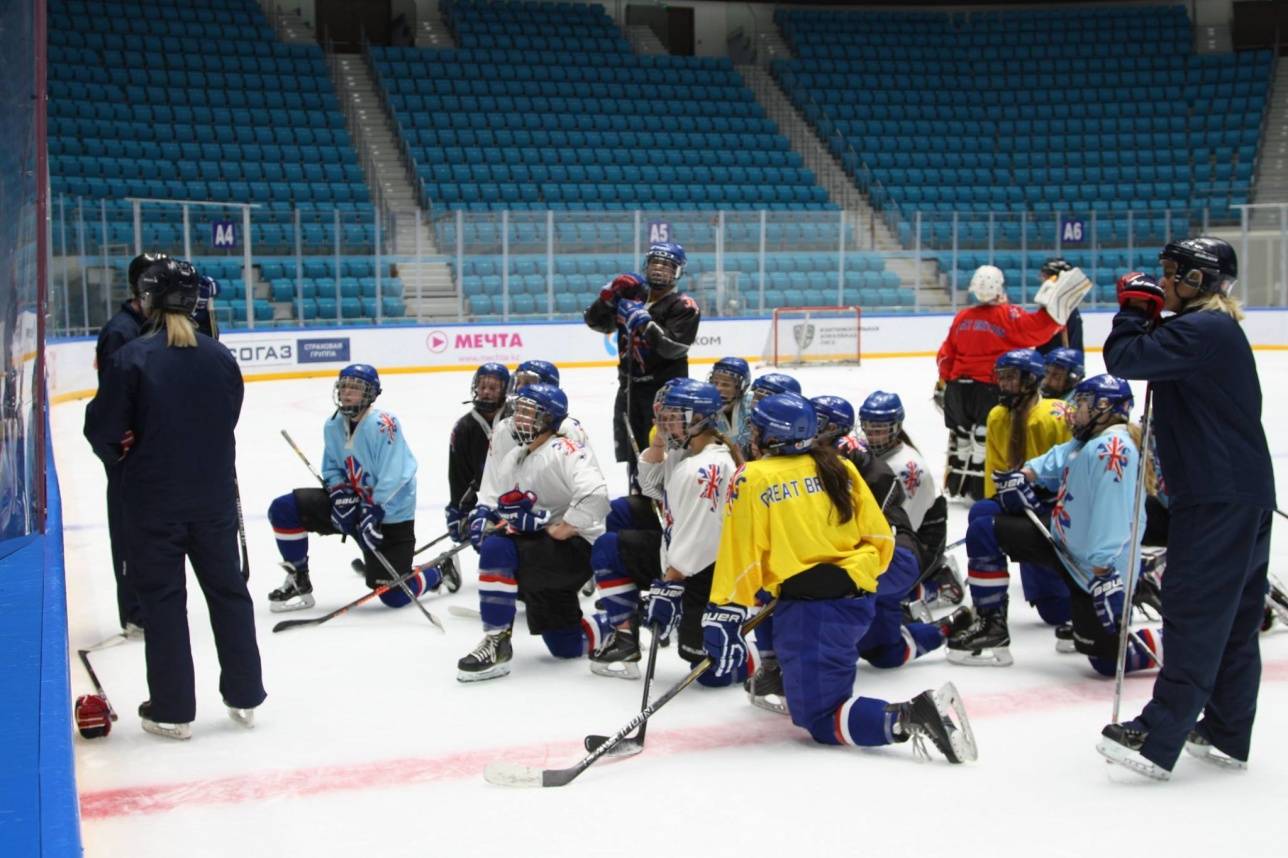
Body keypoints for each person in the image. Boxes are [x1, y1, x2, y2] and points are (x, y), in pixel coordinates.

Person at [704, 392, 977, 763]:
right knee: (877, 650)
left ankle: (914, 715)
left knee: (819, 716)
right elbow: (880, 536)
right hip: (857, 595)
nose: (751, 432)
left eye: (756, 426)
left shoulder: (752, 477)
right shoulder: (837, 465)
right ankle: (780, 672)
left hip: (815, 611)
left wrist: (725, 608)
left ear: (772, 435)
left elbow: (741, 551)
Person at [1099, 240, 1274, 779]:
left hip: (1216, 494)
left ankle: (1158, 734)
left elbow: (1123, 359)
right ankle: (1225, 730)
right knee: (1236, 619)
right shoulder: (1211, 330)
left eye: (1173, 273)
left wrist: (1131, 312)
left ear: (1200, 281)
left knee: (1195, 608)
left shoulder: (1202, 330)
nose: (1164, 281)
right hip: (1238, 491)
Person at [83, 258, 264, 739]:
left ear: (148, 300)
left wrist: (126, 456)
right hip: (213, 500)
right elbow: (227, 418)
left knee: (163, 602)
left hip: (153, 502)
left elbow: (102, 430)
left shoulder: (132, 358)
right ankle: (245, 695)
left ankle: (172, 708)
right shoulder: (219, 357)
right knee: (228, 593)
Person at [947, 375, 1163, 675]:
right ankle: (991, 627)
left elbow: (1112, 518)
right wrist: (1026, 474)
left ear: (1104, 407)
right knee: (985, 525)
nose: (1074, 410)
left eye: (1083, 403)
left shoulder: (1113, 449)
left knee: (1106, 662)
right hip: (1063, 544)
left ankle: (1178, 639)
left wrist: (1104, 573)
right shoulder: (1089, 439)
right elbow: (1062, 457)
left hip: (1097, 568)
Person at [459, 384, 611, 681]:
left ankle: (496, 643)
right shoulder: (515, 456)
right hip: (546, 553)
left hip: (575, 551)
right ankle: (619, 621)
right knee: (564, 645)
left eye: (529, 413)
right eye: (519, 411)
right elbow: (502, 502)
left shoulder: (564, 450)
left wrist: (566, 526)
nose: (519, 419)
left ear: (549, 419)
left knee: (496, 548)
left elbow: (596, 495)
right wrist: (488, 515)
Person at [588, 380, 737, 681]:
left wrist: (668, 587)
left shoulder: (704, 468)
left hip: (711, 573)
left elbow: (700, 540)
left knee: (708, 670)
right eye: (662, 415)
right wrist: (657, 446)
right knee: (609, 546)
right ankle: (625, 637)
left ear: (698, 418)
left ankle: (761, 658)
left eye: (672, 416)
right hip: (684, 560)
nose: (662, 423)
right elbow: (650, 487)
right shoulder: (686, 453)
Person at [265, 364, 425, 612]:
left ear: (371, 394)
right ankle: (298, 578)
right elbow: (331, 467)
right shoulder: (333, 425)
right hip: (354, 505)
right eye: (344, 387)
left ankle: (438, 572)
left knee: (393, 595)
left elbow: (396, 474)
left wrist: (373, 509)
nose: (347, 393)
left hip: (390, 513)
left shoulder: (383, 425)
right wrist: (340, 493)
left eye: (356, 388)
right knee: (284, 508)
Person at [936, 263, 1085, 500]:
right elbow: (1037, 331)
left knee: (963, 435)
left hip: (958, 391)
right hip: (988, 389)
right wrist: (1055, 317)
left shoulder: (962, 317)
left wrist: (944, 381)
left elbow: (945, 356)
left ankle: (959, 482)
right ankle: (977, 486)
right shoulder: (1008, 315)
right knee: (987, 435)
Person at [970, 348, 1074, 639]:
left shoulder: (1056, 415)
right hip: (1021, 507)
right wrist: (1002, 497)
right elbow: (996, 471)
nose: (1004, 384)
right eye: (1001, 378)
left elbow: (1073, 469)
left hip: (1056, 511)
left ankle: (1137, 581)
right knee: (981, 514)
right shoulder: (997, 416)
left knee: (1057, 612)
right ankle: (990, 615)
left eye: (1011, 378)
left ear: (1031, 379)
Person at [92, 250, 168, 638]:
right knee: (128, 528)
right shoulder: (122, 331)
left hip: (151, 450)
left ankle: (148, 603)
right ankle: (136, 610)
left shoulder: (154, 323)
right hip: (129, 453)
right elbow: (112, 400)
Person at [583, 243, 700, 479]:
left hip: (666, 395)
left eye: (668, 265)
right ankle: (637, 496)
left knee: (667, 453)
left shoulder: (684, 306)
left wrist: (645, 323)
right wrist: (607, 298)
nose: (659, 269)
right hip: (630, 389)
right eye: (656, 263)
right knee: (634, 454)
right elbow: (596, 322)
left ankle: (667, 501)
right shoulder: (630, 297)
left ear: (678, 272)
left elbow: (673, 348)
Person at [859, 391, 963, 614]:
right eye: (868, 427)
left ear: (895, 427)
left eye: (879, 430)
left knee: (873, 592)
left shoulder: (907, 468)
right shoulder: (867, 451)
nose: (872, 435)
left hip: (921, 540)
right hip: (898, 531)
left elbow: (905, 528)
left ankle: (937, 584)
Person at [439, 362, 511, 588]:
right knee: (482, 534)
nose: (487, 391)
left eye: (493, 387)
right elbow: (458, 474)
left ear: (505, 390)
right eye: (483, 386)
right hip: (485, 501)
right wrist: (459, 509)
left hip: (519, 498)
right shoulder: (464, 427)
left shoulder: (518, 419)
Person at [1035, 258, 1085, 353]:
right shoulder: (1054, 306)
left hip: (1057, 365)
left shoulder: (1065, 309)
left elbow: (1074, 347)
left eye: (1045, 276)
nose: (1042, 280)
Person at [708, 356, 752, 451]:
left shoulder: (752, 406)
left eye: (726, 384)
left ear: (741, 388)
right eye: (714, 383)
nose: (718, 389)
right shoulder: (703, 409)